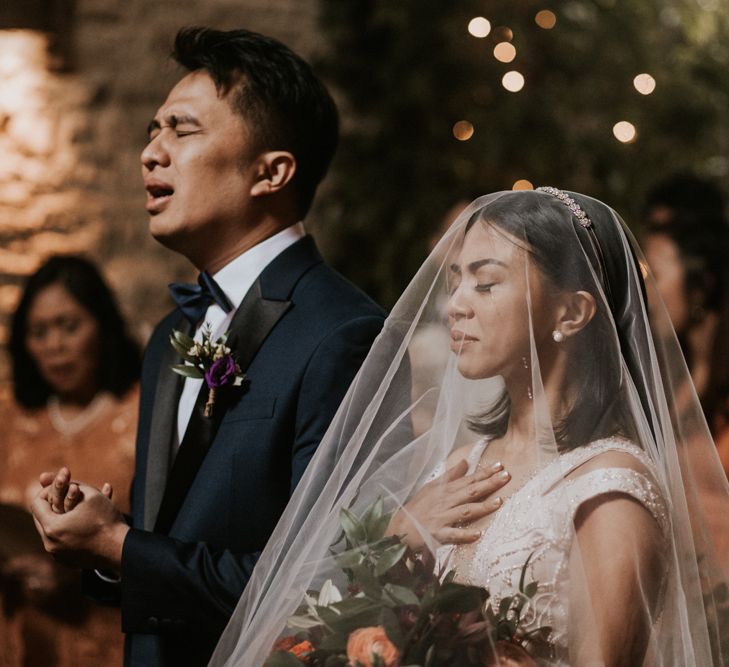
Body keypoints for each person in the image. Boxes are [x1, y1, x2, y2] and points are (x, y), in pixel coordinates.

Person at [210, 189, 729, 666]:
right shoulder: (463, 461)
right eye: (456, 279)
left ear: (572, 311)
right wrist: (397, 536)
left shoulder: (609, 490)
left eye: (485, 282)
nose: (456, 303)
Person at [29, 27, 385, 666]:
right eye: (151, 130)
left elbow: (327, 584)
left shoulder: (341, 334)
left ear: (271, 172)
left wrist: (119, 547)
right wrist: (107, 546)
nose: (150, 153)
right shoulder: (176, 332)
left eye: (182, 131)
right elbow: (178, 541)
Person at [0, 255, 140, 666]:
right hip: (16, 638)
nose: (54, 346)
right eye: (38, 332)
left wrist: (76, 577)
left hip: (104, 641)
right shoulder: (10, 419)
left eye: (69, 326)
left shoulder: (139, 414)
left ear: (102, 327)